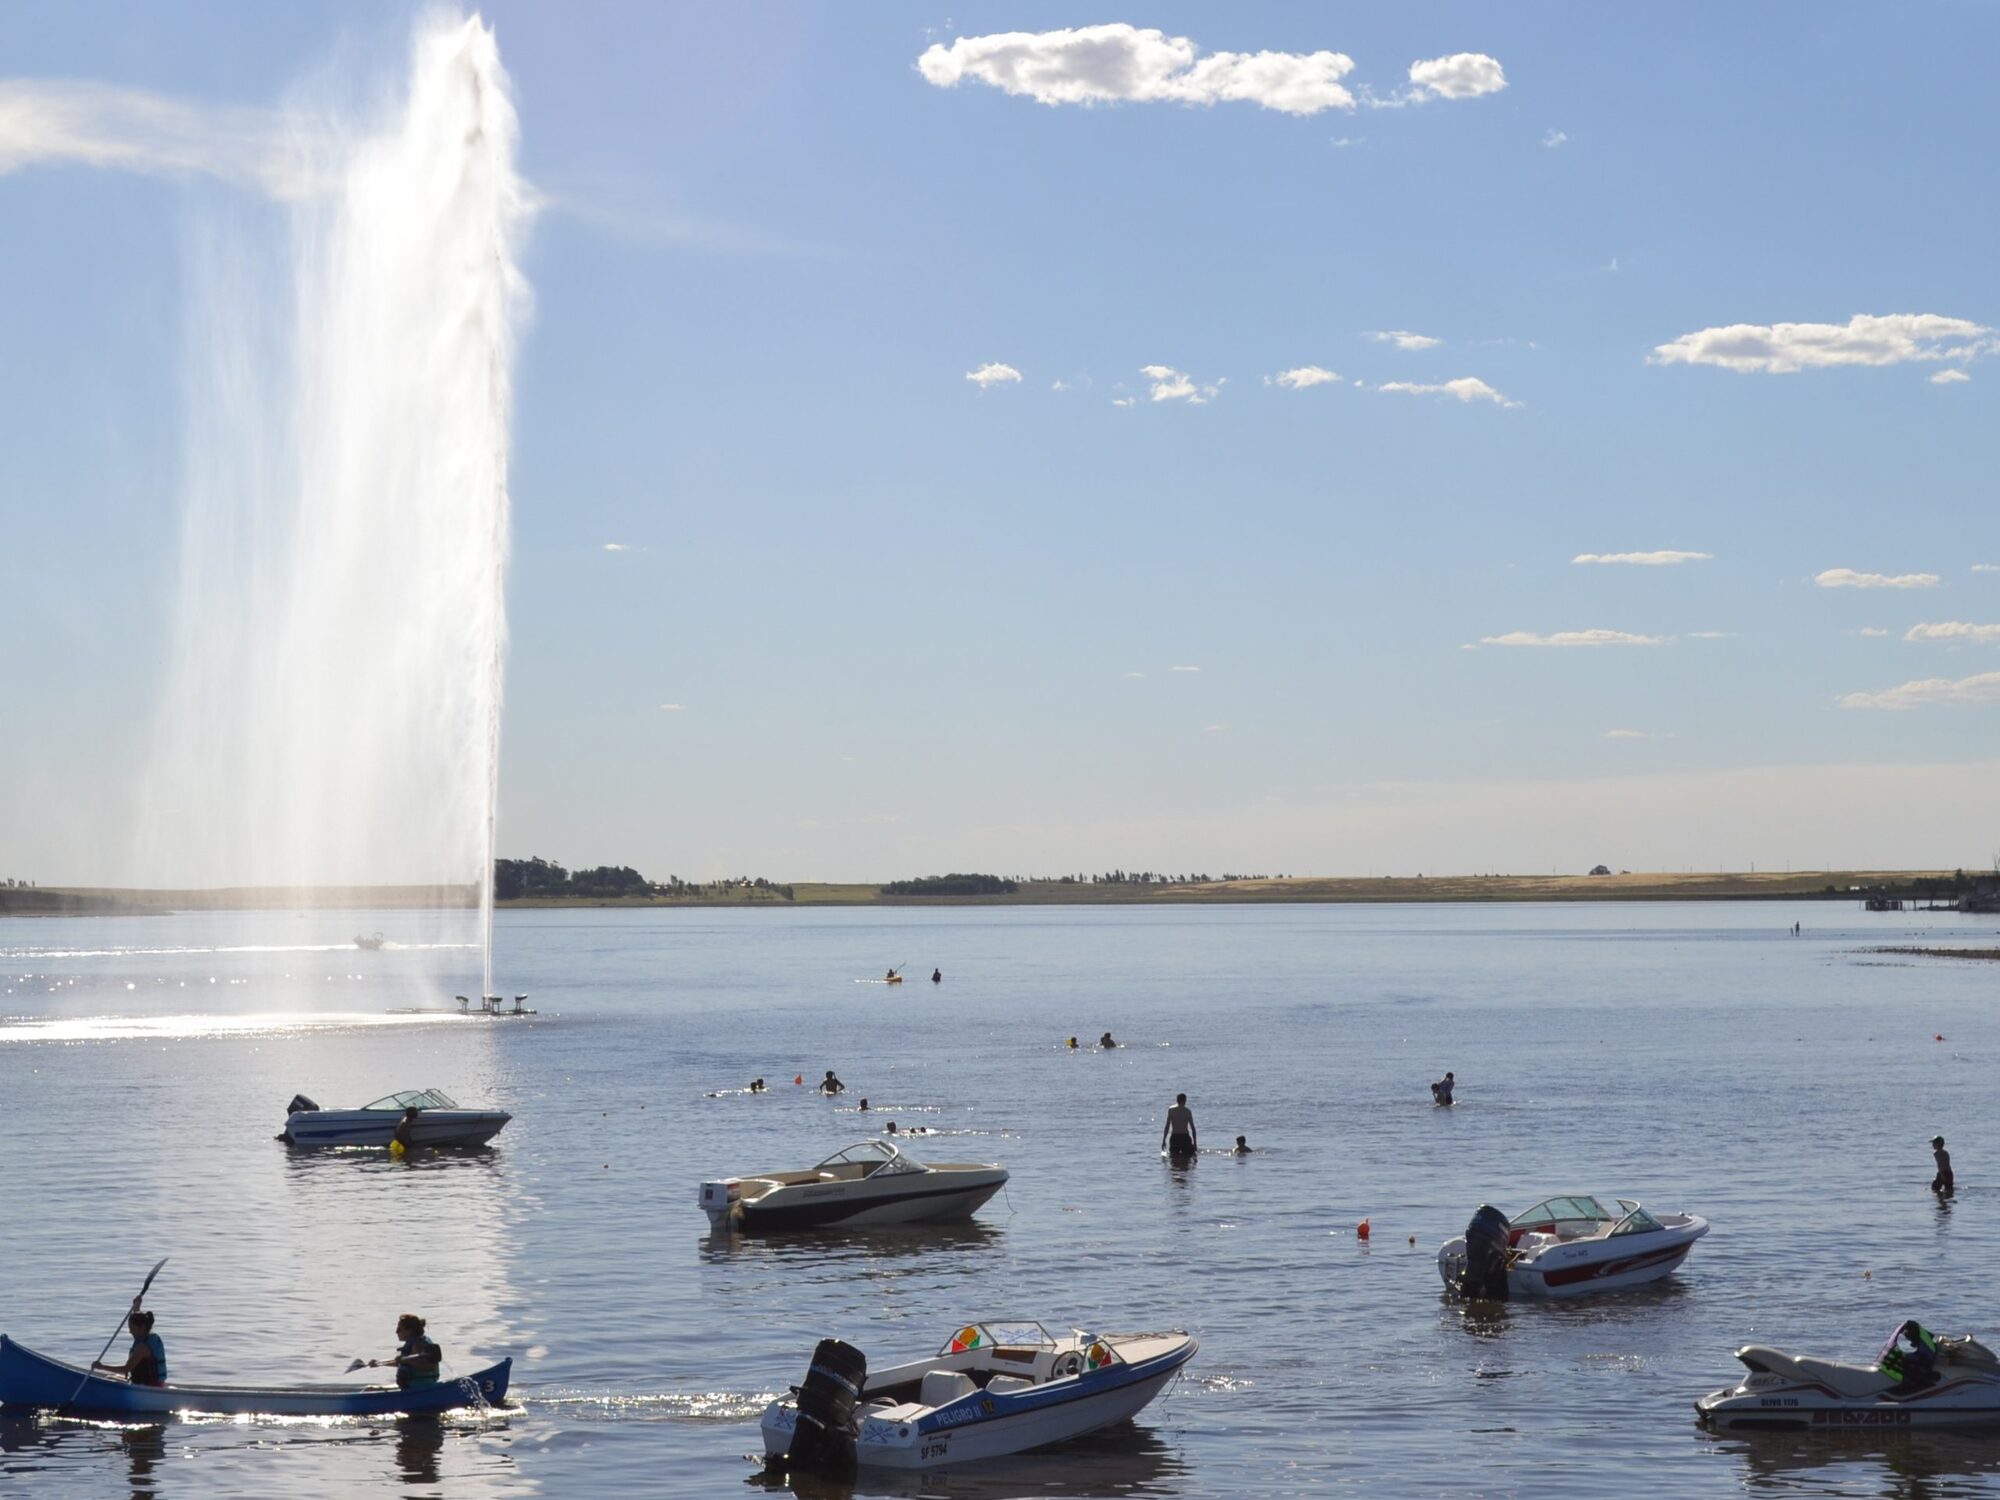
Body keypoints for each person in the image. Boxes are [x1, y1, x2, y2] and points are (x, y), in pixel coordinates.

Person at [93, 1303, 165, 1387]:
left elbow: (126, 1369)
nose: (130, 1331)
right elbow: (139, 1320)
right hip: (150, 1384)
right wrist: (137, 1306)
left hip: (148, 1386)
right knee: (110, 1377)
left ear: (142, 1327)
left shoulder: (143, 1348)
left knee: (109, 1379)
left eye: (132, 1328)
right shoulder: (145, 1337)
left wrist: (102, 1367)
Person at [371, 1314, 441, 1389]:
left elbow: (429, 1367)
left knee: (369, 1389)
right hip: (416, 1386)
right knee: (371, 1388)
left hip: (418, 1387)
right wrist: (379, 1363)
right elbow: (405, 1363)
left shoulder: (417, 1346)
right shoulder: (420, 1341)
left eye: (399, 1329)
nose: (396, 1332)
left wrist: (406, 1361)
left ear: (409, 1331)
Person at [1161, 1093, 1197, 1161]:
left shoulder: (1171, 1110)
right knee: (1187, 1160)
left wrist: (1164, 1140)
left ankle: (1176, 1171)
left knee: (1174, 1159)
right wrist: (1195, 1143)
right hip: (1185, 1137)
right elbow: (1193, 1128)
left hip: (1175, 1137)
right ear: (1185, 1100)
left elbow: (1167, 1126)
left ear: (1177, 1100)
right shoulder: (1187, 1111)